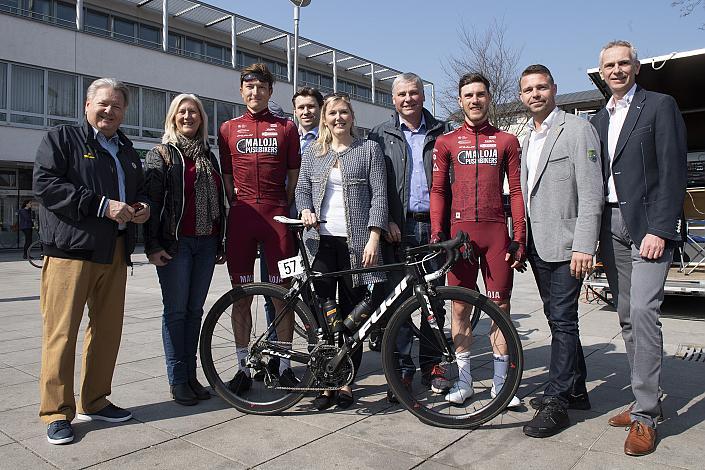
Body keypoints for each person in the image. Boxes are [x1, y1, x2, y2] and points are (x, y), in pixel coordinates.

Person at [33, 78, 150, 445]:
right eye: (103, 103)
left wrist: (143, 207)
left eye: (117, 106)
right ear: (87, 105)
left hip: (114, 251)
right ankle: (56, 412)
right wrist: (101, 205)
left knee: (107, 332)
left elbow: (138, 191)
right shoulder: (62, 139)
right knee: (61, 334)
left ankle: (96, 401)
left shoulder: (127, 151)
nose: (109, 111)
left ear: (124, 112)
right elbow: (46, 184)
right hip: (70, 252)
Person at [591, 40, 687, 456]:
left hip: (648, 227)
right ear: (602, 72)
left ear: (636, 67)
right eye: (609, 65)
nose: (616, 70)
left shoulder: (659, 106)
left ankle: (648, 414)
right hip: (610, 225)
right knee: (627, 316)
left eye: (623, 63)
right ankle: (640, 399)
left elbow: (673, 168)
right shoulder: (598, 119)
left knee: (645, 313)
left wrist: (661, 228)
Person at [430, 72, 526, 408]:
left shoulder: (507, 141)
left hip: (496, 233)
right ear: (460, 101)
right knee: (460, 309)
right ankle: (465, 381)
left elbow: (516, 191)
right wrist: (437, 235)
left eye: (480, 94)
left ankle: (501, 384)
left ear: (489, 97)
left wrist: (519, 237)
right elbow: (438, 190)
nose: (474, 100)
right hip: (460, 237)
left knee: (501, 309)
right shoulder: (446, 142)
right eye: (468, 95)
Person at [517, 65, 603, 438]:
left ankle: (557, 401)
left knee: (564, 321)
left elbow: (592, 191)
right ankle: (577, 389)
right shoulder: (527, 137)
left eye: (541, 87)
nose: (535, 94)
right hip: (538, 244)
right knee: (557, 320)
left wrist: (585, 244)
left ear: (553, 89)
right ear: (521, 96)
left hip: (568, 245)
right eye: (528, 90)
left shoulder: (578, 129)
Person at [296, 93, 387, 410]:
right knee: (323, 315)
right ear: (324, 118)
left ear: (352, 116)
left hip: (355, 244)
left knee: (352, 316)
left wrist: (374, 237)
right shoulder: (313, 152)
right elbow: (302, 188)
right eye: (332, 113)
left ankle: (346, 382)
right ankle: (325, 383)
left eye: (344, 112)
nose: (338, 118)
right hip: (319, 242)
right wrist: (305, 208)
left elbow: (380, 197)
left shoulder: (369, 150)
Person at [367, 72, 452, 402]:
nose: (408, 99)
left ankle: (432, 364)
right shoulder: (379, 135)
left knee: (434, 300)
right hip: (396, 229)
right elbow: (375, 184)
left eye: (414, 93)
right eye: (402, 94)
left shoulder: (444, 132)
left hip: (433, 229)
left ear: (423, 96)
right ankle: (401, 368)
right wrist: (385, 218)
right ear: (393, 99)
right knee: (398, 302)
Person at [218, 63, 301, 394]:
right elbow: (226, 175)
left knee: (284, 295)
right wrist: (236, 202)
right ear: (242, 91)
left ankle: (283, 365)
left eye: (262, 88)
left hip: (277, 216)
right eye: (249, 88)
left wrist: (282, 202)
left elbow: (293, 172)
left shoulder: (286, 127)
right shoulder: (227, 128)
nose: (255, 93)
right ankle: (243, 367)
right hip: (241, 217)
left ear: (270, 91)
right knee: (241, 296)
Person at [144, 94, 227, 406]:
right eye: (183, 112)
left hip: (206, 243)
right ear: (173, 117)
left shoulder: (209, 156)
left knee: (194, 312)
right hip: (176, 245)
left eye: (194, 112)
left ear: (202, 119)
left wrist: (220, 242)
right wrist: (152, 245)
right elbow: (153, 204)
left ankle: (191, 376)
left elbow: (220, 203)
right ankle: (178, 379)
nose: (188, 116)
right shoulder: (161, 154)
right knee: (176, 312)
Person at [293, 86, 324, 153]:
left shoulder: (331, 139)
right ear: (295, 112)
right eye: (301, 107)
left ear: (321, 109)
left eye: (311, 106)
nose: (306, 112)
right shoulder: (290, 138)